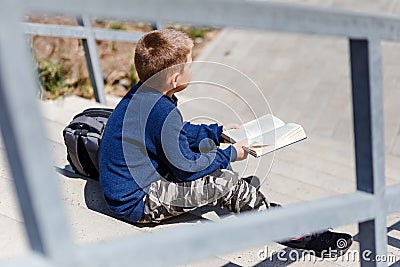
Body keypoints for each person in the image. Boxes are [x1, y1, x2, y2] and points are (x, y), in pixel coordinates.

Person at [98, 29, 352, 257]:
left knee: (212, 159)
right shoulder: (160, 110)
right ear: (174, 79)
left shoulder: (146, 92)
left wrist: (216, 132)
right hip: (137, 201)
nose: (193, 68)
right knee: (224, 182)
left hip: (135, 182)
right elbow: (186, 169)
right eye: (189, 64)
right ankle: (290, 230)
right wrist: (231, 153)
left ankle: (260, 208)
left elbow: (173, 135)